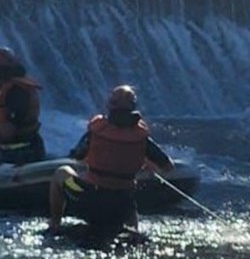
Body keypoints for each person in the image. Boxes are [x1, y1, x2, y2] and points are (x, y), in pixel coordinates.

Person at [47, 85, 174, 236]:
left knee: (61, 173)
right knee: (127, 201)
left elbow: (77, 157)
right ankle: (133, 232)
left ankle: (55, 224)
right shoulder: (142, 138)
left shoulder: (96, 131)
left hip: (89, 200)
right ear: (134, 106)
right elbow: (168, 167)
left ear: (110, 105)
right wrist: (144, 166)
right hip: (121, 207)